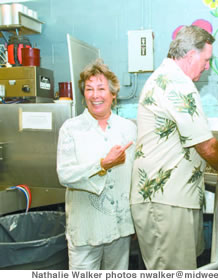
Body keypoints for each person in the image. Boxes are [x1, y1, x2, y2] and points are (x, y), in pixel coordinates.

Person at [130, 25, 218, 270]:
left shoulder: (169, 79)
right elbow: (206, 144)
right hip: (165, 201)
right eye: (206, 60)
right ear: (190, 56)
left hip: (173, 198)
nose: (208, 66)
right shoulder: (176, 83)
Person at [57, 59, 137, 270]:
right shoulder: (71, 129)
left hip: (120, 226)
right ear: (84, 95)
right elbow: (65, 175)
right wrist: (102, 164)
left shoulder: (128, 129)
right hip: (86, 228)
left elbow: (137, 176)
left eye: (101, 88)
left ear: (113, 94)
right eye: (89, 89)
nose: (95, 95)